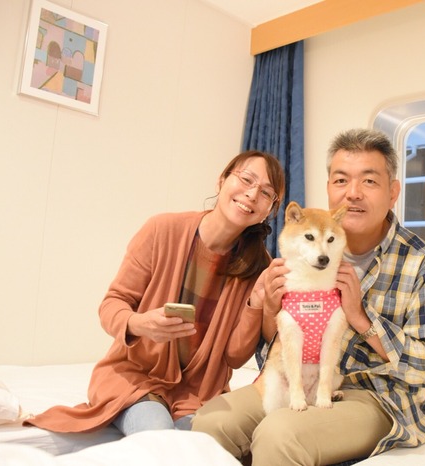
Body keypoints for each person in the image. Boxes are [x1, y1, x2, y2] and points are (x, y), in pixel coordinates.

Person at [192, 129, 425, 465]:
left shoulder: (420, 262)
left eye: (369, 181)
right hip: (298, 378)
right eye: (341, 180)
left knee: (279, 436)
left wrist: (361, 318)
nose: (353, 193)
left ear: (393, 192)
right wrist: (270, 310)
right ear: (329, 187)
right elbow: (277, 346)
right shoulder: (299, 252)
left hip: (379, 395)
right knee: (210, 423)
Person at [25, 150, 285, 435]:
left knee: (205, 443)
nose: (252, 194)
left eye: (266, 193)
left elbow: (234, 357)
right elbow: (112, 304)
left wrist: (255, 303)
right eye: (246, 179)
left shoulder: (259, 265)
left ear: (269, 210)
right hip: (135, 378)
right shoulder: (162, 230)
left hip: (199, 393)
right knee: (158, 433)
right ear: (222, 180)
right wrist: (140, 324)